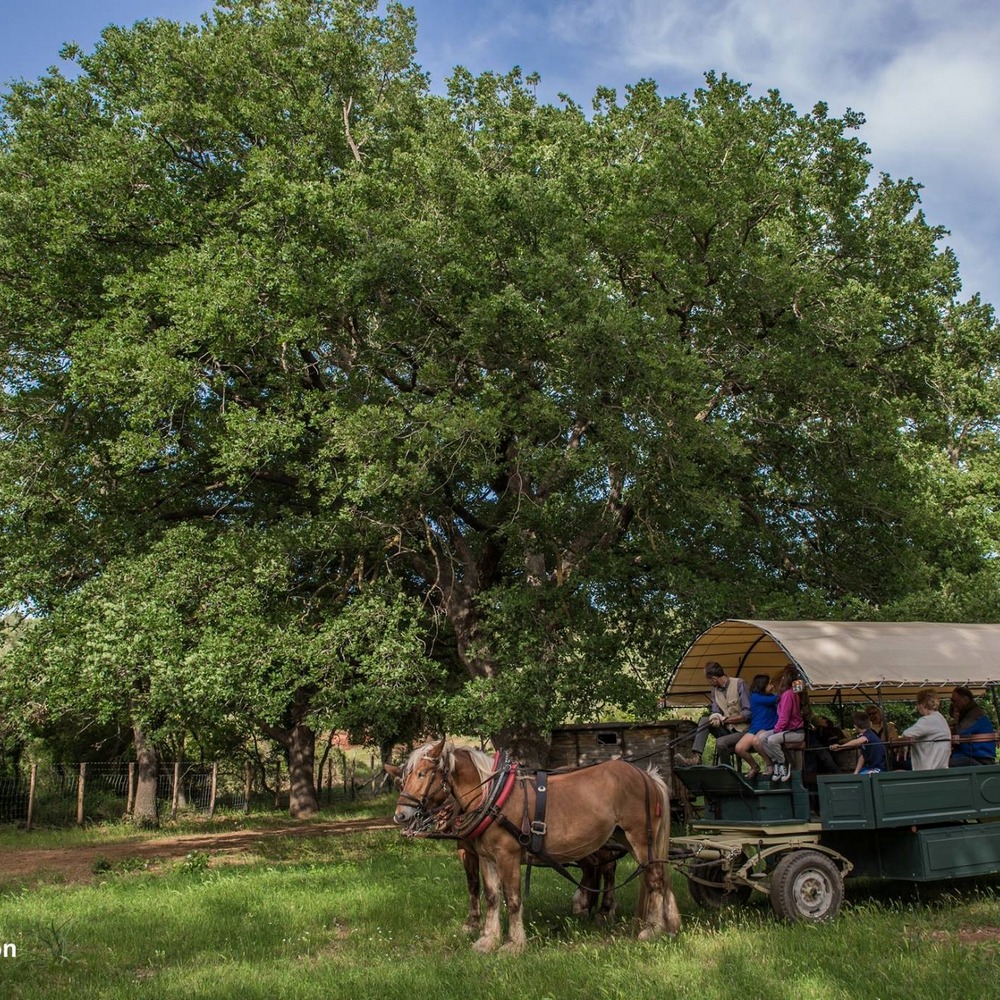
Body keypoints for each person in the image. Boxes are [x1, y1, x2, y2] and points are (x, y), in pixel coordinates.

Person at [676, 661, 750, 767]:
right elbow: (716, 711)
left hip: (743, 731)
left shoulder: (739, 683)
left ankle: (727, 770)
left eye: (708, 680)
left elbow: (747, 714)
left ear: (714, 679)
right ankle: (696, 757)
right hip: (727, 729)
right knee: (705, 720)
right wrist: (715, 717)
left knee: (720, 742)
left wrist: (725, 720)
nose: (708, 682)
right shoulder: (714, 691)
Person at [756, 665, 807, 783]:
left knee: (772, 740)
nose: (773, 686)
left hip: (795, 731)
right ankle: (776, 763)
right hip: (787, 730)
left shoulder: (788, 694)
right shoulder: (785, 695)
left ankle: (784, 763)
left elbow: (784, 718)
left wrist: (776, 730)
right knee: (762, 737)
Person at [734, 673, 778, 778]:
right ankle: (754, 766)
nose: (772, 686)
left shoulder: (770, 696)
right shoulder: (756, 697)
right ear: (763, 685)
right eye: (769, 684)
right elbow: (776, 699)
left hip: (767, 728)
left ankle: (769, 764)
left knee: (757, 741)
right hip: (755, 728)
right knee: (739, 748)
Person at [896, 689, 951, 771]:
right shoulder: (940, 718)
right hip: (940, 765)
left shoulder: (928, 720)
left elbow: (907, 734)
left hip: (928, 767)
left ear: (922, 704)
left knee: (895, 764)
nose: (917, 707)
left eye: (917, 703)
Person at [948, 687, 997, 767]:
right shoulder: (971, 712)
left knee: (944, 763)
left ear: (965, 699)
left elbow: (960, 732)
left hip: (980, 758)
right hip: (973, 755)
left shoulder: (974, 714)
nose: (954, 704)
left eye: (954, 700)